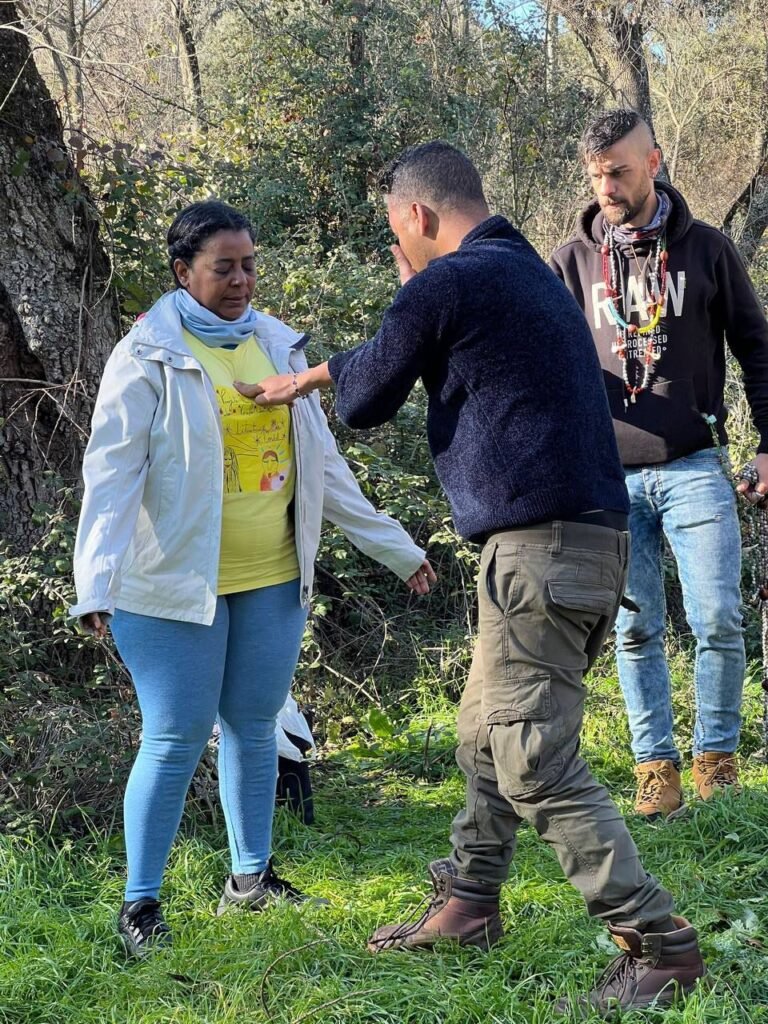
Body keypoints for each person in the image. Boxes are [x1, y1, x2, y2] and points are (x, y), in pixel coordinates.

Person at [237, 143, 706, 1014]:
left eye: (397, 236)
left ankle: (660, 944)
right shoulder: (517, 269)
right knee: (485, 738)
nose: (401, 250)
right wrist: (310, 372)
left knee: (531, 757)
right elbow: (385, 359)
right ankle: (468, 902)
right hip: (572, 546)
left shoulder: (446, 281)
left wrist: (392, 300)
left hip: (543, 550)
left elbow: (371, 395)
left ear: (416, 218)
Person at [69, 200, 434, 958]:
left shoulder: (275, 343)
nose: (241, 281)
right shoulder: (147, 354)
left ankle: (250, 879)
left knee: (254, 725)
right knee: (173, 738)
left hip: (271, 577)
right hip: (169, 587)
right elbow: (109, 475)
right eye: (223, 268)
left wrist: (399, 550)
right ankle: (140, 905)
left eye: (249, 265)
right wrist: (94, 584)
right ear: (183, 272)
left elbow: (323, 470)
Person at [550, 109, 768, 820]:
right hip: (607, 479)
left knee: (719, 619)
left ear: (654, 160)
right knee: (635, 630)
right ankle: (656, 771)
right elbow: (542, 364)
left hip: (693, 463)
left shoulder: (706, 250)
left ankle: (717, 763)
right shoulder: (572, 261)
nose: (606, 186)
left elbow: (756, 348)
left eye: (618, 170)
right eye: (595, 175)